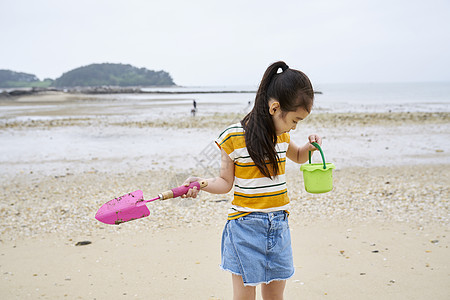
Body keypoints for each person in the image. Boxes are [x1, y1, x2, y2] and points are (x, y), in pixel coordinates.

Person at [182, 61, 321, 300]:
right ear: (275, 108)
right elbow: (225, 182)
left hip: (279, 227)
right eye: (295, 120)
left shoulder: (283, 136)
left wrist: (311, 147)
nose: (295, 128)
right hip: (245, 229)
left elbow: (298, 156)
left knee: (275, 297)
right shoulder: (233, 137)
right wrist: (201, 183)